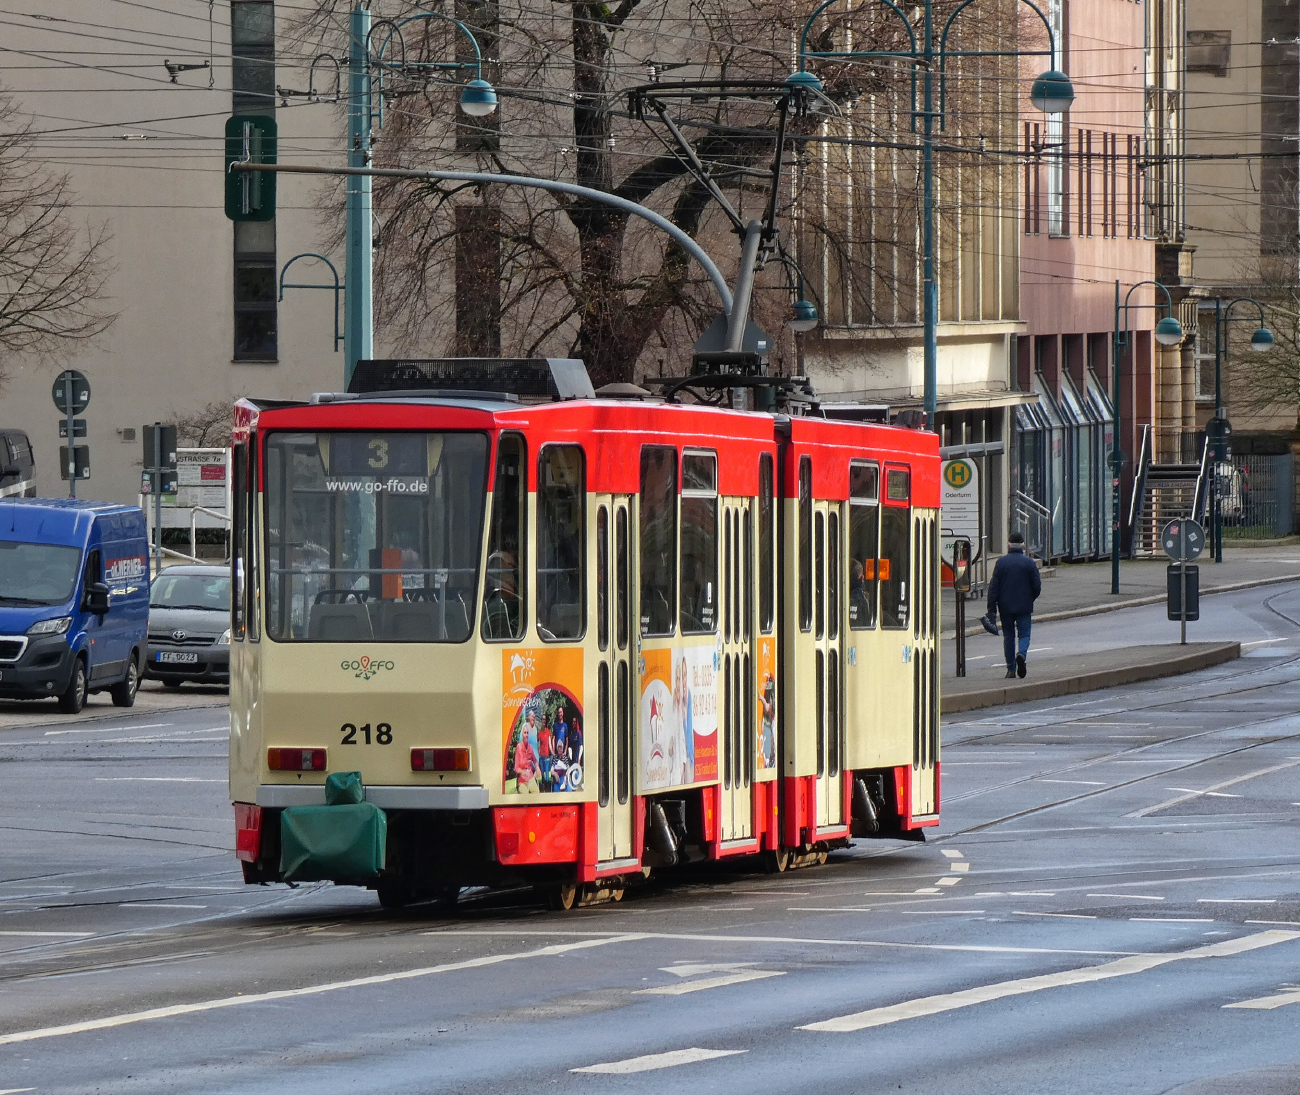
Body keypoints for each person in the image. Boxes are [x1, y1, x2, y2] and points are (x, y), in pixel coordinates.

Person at [986, 531, 1041, 679]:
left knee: (1008, 637)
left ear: (1008, 545)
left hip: (1005, 607)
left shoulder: (1001, 563)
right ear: (1023, 546)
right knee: (1024, 634)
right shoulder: (1029, 563)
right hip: (1024, 606)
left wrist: (991, 608)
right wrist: (1030, 598)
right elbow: (1037, 586)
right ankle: (1021, 654)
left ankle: (1011, 669)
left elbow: (994, 587)